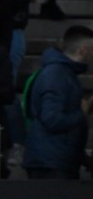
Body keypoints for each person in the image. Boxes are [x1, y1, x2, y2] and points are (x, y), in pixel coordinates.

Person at [23, 26, 93, 180]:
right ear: (84, 50)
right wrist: (81, 113)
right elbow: (51, 119)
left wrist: (81, 158)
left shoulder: (63, 74)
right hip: (51, 163)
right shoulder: (58, 75)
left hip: (55, 159)